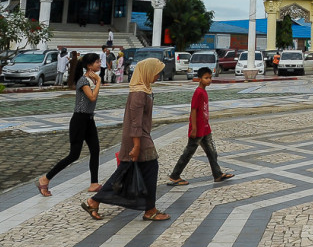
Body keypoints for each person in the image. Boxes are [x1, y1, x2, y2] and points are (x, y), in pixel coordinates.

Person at [83, 58, 169, 221]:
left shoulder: (144, 89)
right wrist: (136, 146)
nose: (158, 76)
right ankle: (150, 210)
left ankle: (94, 201)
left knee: (124, 172)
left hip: (141, 137)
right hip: (139, 139)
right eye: (156, 72)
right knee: (148, 169)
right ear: (147, 72)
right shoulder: (139, 93)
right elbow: (136, 122)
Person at [38, 53, 103, 196]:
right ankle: (45, 179)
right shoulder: (83, 81)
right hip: (79, 120)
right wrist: (99, 81)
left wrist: (97, 81)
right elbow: (91, 97)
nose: (99, 64)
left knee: (95, 150)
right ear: (89, 65)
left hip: (89, 120)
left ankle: (94, 183)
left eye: (99, 61)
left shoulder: (90, 79)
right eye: (97, 62)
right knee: (74, 155)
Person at [167, 67, 234, 187]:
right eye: (206, 78)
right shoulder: (198, 93)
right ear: (199, 79)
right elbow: (193, 110)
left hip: (205, 128)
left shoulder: (204, 92)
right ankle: (175, 176)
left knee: (212, 152)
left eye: (210, 78)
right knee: (188, 153)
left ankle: (217, 174)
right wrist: (194, 128)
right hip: (197, 130)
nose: (209, 80)